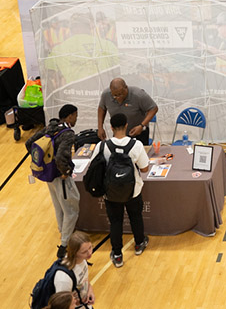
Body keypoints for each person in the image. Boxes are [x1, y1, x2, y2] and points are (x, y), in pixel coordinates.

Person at [91, 112, 150, 268]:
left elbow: (93, 167)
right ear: (126, 125)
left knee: (115, 222)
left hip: (110, 193)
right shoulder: (136, 145)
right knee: (136, 217)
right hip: (133, 190)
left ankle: (117, 254)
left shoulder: (102, 146)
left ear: (110, 127)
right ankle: (139, 244)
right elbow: (144, 169)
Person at [26, 104, 80, 260]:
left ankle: (63, 233)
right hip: (59, 177)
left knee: (59, 207)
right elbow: (62, 157)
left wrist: (44, 163)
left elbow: (29, 144)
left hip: (48, 176)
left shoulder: (51, 127)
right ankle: (64, 245)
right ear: (69, 116)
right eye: (75, 115)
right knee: (71, 209)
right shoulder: (68, 133)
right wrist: (65, 172)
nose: (76, 118)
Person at [97, 78, 158, 146]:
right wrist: (100, 127)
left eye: (120, 94)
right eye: (115, 95)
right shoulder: (106, 95)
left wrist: (141, 125)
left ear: (126, 88)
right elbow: (101, 108)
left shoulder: (139, 95)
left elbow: (153, 108)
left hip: (138, 132)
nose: (118, 98)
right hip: (118, 133)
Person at [50, 231, 95, 306]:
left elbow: (84, 279)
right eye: (84, 252)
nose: (89, 253)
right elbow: (62, 306)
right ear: (74, 253)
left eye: (90, 247)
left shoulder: (82, 260)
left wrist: (90, 289)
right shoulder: (63, 279)